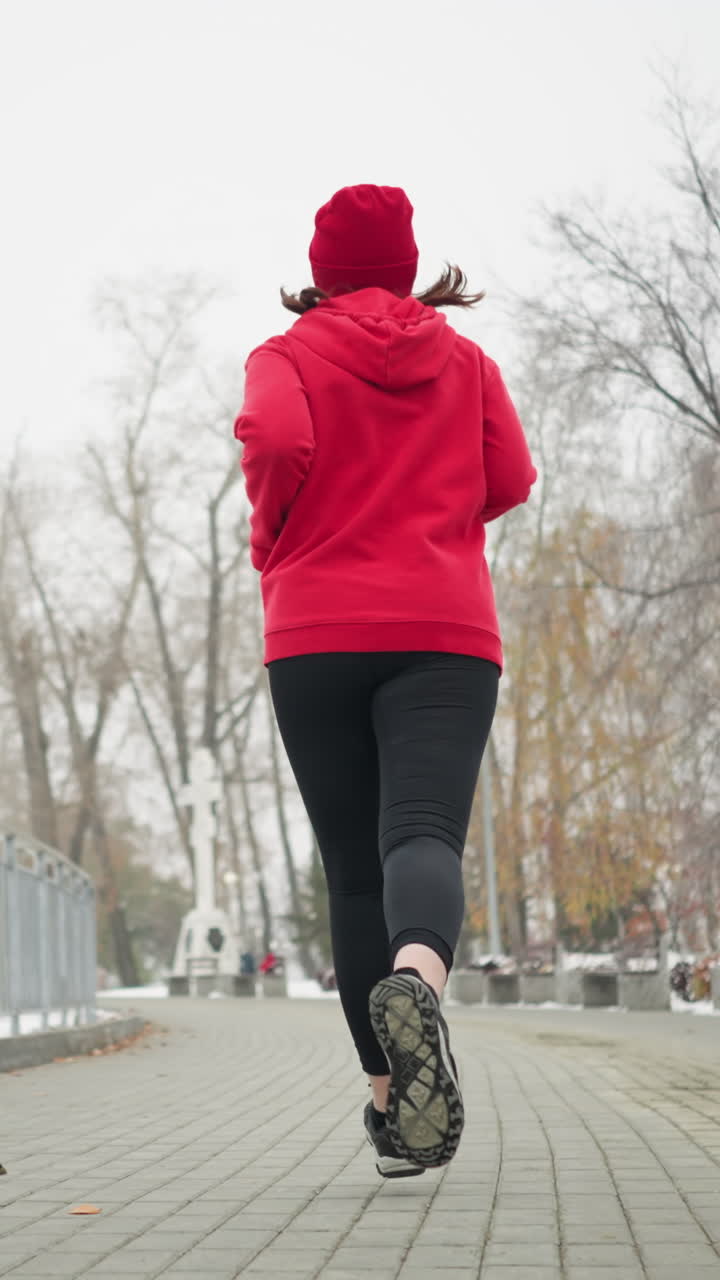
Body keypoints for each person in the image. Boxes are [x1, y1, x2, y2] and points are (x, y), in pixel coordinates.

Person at [234, 184, 536, 1178]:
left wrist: (277, 538)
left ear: (319, 269)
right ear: (407, 266)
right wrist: (437, 509)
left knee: (354, 870)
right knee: (420, 834)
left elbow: (276, 442)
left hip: (315, 631)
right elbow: (512, 477)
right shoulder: (467, 361)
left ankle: (392, 1107)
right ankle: (420, 975)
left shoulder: (284, 356)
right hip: (446, 630)